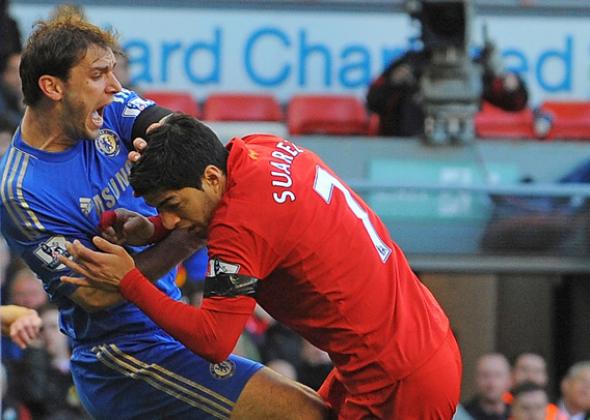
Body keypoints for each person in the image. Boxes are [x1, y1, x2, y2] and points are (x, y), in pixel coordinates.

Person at [0, 15, 328, 419]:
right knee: (305, 413)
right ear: (52, 87)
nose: (116, 86)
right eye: (99, 74)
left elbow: (191, 144)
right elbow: (97, 294)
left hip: (168, 323)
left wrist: (157, 221)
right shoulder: (21, 189)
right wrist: (186, 235)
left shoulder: (111, 110)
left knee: (321, 404)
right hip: (123, 356)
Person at [59, 113, 462, 418]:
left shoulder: (241, 225)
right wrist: (150, 231)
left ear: (213, 177)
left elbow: (214, 342)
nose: (170, 221)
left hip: (399, 380)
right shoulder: (259, 148)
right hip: (417, 342)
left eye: (172, 206)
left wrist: (128, 280)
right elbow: (238, 220)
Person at [366, 12, 528, 137]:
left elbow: (516, 103)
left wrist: (508, 83)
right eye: (439, 23)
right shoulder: (410, 63)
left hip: (461, 147)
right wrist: (394, 83)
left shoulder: (471, 69)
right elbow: (373, 101)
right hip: (409, 146)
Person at [463, 353, 512, 420]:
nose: (491, 383)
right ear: (476, 379)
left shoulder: (517, 414)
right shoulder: (461, 414)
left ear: (509, 380)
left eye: (497, 375)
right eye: (485, 375)